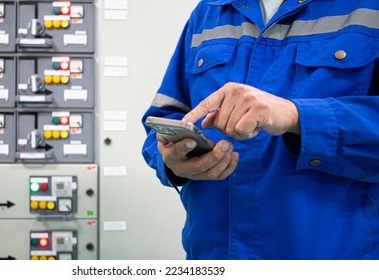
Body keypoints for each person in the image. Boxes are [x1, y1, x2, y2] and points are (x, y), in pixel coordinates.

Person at [141, 0, 379, 259]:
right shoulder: (210, 10)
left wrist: (297, 116)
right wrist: (172, 160)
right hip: (212, 256)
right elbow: (165, 115)